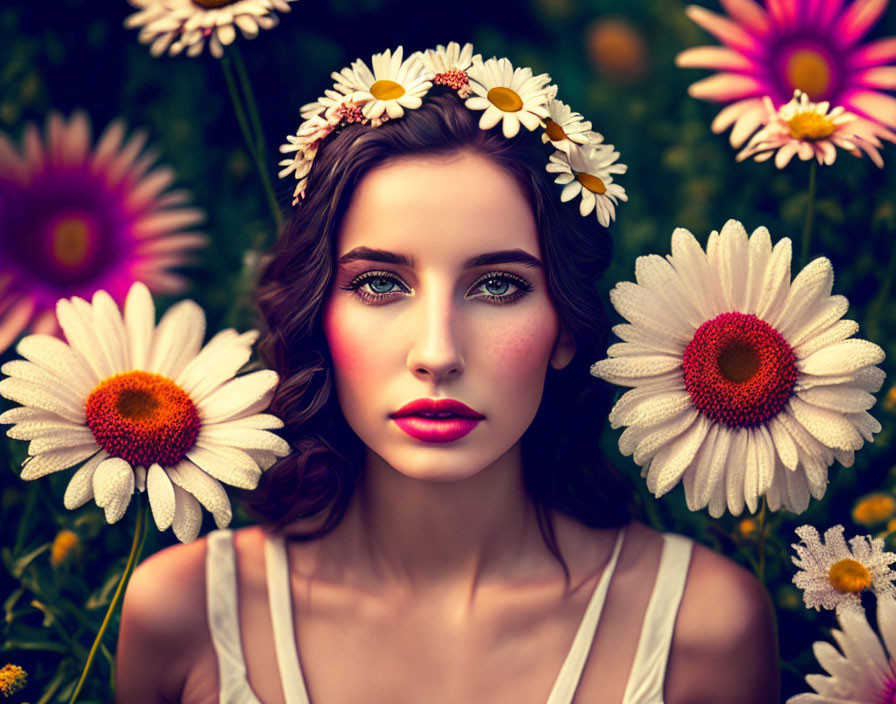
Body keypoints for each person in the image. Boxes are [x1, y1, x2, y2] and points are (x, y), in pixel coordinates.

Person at [115, 45, 779, 703]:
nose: (437, 353)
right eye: (379, 283)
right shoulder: (186, 613)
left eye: (496, 286)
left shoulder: (705, 626)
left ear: (567, 328)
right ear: (318, 313)